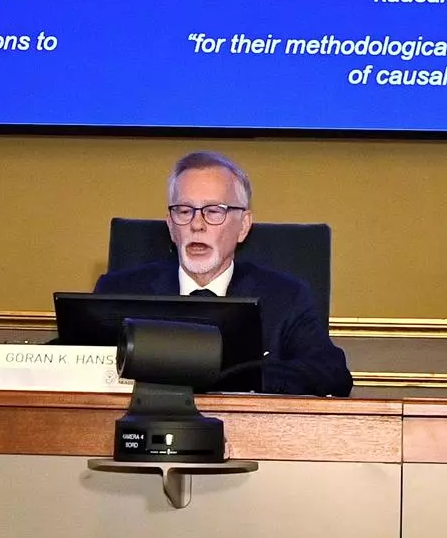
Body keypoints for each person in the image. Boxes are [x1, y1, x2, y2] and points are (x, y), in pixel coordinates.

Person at [93, 150, 353, 396]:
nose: (196, 225)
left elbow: (331, 373)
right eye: (184, 211)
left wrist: (241, 377)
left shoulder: (285, 297)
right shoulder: (118, 291)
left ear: (243, 226)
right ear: (171, 226)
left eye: (213, 211)